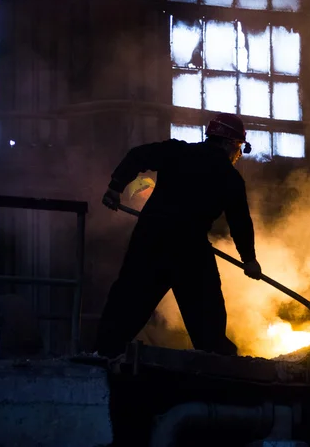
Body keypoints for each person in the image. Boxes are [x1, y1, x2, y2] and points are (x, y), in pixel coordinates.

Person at [96, 113, 262, 360]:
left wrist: (115, 187)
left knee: (126, 306)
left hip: (150, 240)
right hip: (189, 249)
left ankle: (101, 357)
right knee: (208, 324)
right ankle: (219, 371)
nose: (237, 154)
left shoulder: (177, 151)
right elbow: (239, 221)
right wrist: (249, 259)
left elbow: (137, 156)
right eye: (239, 148)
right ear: (231, 143)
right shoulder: (229, 176)